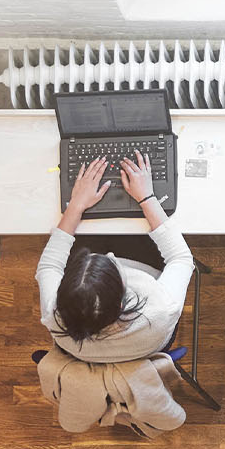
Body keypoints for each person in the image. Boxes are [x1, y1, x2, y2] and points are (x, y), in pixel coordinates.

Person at [35, 152, 193, 363]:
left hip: (103, 343)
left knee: (90, 228)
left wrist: (76, 205)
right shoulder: (160, 308)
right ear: (122, 304)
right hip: (147, 321)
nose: (110, 256)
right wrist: (147, 197)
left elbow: (49, 266)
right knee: (135, 224)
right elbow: (181, 258)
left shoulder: (54, 314)